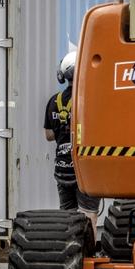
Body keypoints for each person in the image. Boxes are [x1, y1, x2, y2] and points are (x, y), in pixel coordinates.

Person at [44, 51, 100, 238]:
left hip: (62, 168)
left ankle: (68, 248)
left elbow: (49, 135)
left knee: (66, 214)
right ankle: (88, 253)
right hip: (84, 168)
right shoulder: (90, 100)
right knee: (88, 213)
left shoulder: (54, 101)